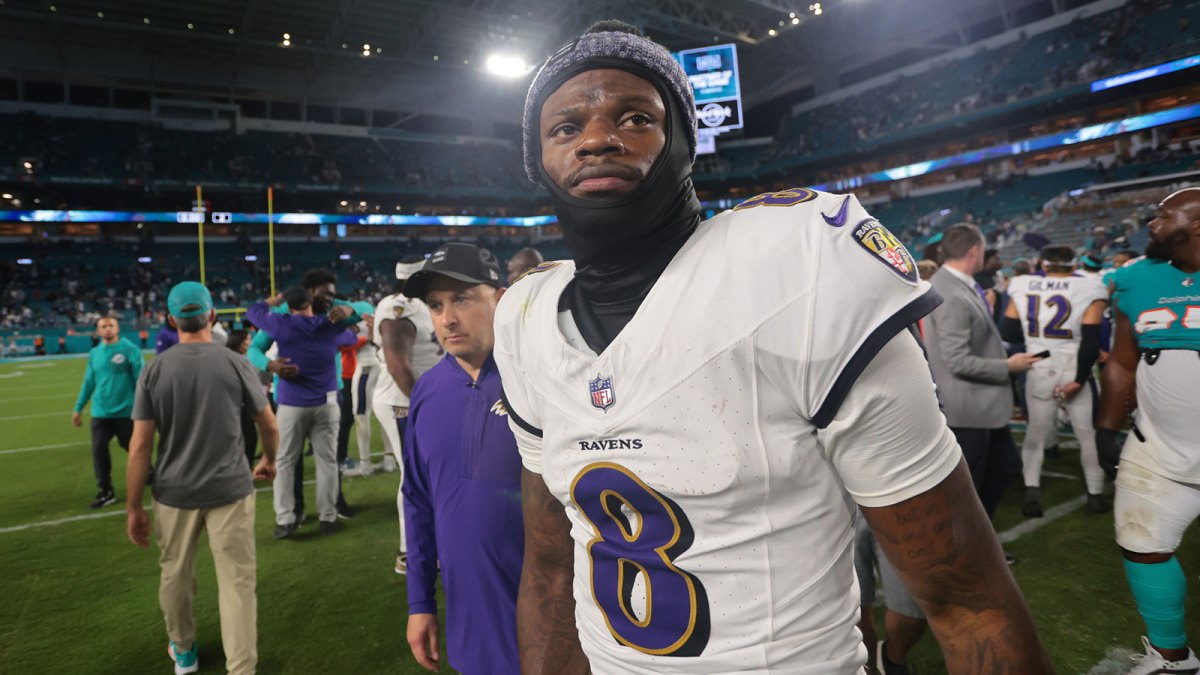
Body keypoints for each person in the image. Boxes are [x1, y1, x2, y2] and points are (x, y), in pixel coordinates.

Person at [496, 21, 1053, 673]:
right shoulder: (526, 317)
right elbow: (551, 569)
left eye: (635, 116)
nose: (596, 138)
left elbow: (967, 599)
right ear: (537, 161)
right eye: (566, 127)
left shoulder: (799, 268)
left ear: (684, 142)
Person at [125, 281, 278, 675]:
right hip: (230, 488)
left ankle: (184, 651)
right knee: (237, 582)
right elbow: (268, 423)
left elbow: (140, 446)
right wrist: (268, 459)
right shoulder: (236, 362)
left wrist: (132, 508)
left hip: (173, 492)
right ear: (212, 315)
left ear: (171, 319)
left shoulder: (154, 369)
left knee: (175, 575)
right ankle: (241, 667)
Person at [399, 243, 523, 674]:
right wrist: (420, 601)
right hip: (470, 622)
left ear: (501, 298)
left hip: (553, 614)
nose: (447, 319)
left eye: (462, 299)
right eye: (436, 305)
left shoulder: (540, 379)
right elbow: (417, 500)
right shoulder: (428, 392)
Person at [1097, 188, 1200, 674]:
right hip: (1158, 449)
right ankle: (1173, 656)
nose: (1151, 223)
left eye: (1163, 215)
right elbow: (1121, 360)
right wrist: (1106, 427)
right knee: (1141, 541)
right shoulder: (1136, 280)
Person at [924, 224, 1040, 523]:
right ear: (975, 251)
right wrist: (1009, 366)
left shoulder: (956, 283)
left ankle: (978, 537)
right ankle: (967, 547)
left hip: (978, 405)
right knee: (971, 485)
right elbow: (957, 360)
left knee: (1004, 467)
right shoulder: (951, 291)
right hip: (967, 407)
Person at [247, 269, 365, 523]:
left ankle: (333, 503)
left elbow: (369, 308)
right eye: (327, 293)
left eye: (334, 294)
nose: (333, 299)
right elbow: (255, 349)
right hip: (292, 395)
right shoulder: (282, 317)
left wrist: (350, 310)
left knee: (331, 455)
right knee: (294, 459)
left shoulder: (337, 309)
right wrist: (271, 365)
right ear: (311, 294)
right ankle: (298, 509)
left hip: (332, 392)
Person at [1001, 245, 1109, 516]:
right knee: (1086, 435)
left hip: (1040, 364)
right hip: (1074, 365)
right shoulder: (1091, 287)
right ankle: (1095, 496)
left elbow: (1009, 330)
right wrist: (1081, 379)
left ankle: (1032, 495)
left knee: (1036, 434)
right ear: (1073, 266)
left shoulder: (1021, 284)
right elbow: (1091, 341)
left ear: (1042, 264)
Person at [373, 256, 441, 574]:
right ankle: (408, 552)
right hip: (405, 400)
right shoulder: (399, 308)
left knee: (427, 475)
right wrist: (422, 407)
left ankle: (429, 543)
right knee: (413, 477)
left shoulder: (423, 304)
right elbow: (399, 366)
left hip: (422, 398)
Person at [73, 316, 144, 508]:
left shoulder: (130, 350)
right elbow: (89, 382)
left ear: (117, 328)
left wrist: (145, 407)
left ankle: (148, 472)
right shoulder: (95, 353)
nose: (107, 329)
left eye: (111, 325)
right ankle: (106, 491)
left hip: (125, 412)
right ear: (98, 331)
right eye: (103, 326)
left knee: (132, 447)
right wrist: (78, 408)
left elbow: (141, 381)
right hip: (100, 413)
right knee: (99, 450)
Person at [853, 516, 927, 675]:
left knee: (913, 611)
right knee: (855, 611)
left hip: (894, 502)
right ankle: (870, 670)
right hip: (832, 509)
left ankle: (891, 660)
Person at [227, 330, 259, 468]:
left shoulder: (228, 357)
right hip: (238, 405)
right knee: (247, 438)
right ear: (239, 342)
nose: (250, 342)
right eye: (248, 339)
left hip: (238, 405)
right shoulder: (239, 360)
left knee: (248, 439)